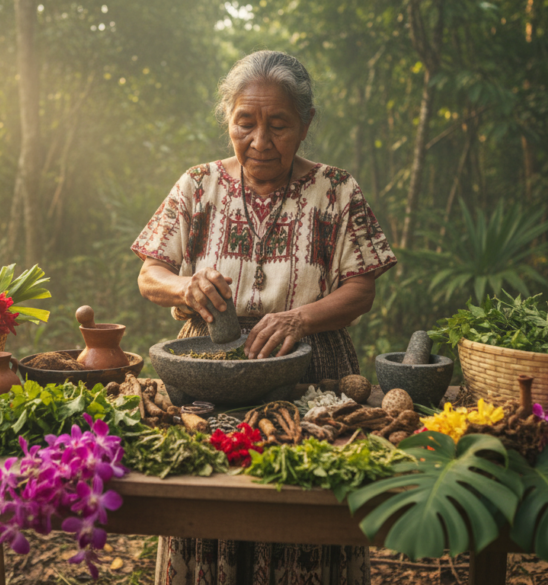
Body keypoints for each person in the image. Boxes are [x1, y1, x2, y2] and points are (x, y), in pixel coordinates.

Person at [131, 50, 396, 585]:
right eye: (245, 123)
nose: (260, 140)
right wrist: (186, 285)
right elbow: (150, 274)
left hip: (309, 367)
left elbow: (360, 289)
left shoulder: (336, 191)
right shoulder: (198, 185)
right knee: (207, 505)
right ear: (227, 120)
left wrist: (298, 319)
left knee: (305, 507)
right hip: (209, 369)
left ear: (305, 124)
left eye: (278, 125)